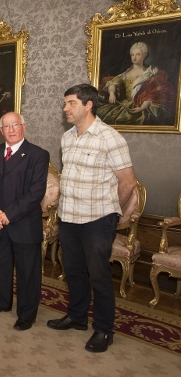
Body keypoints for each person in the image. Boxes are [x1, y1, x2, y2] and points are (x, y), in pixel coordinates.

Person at [48, 84, 136, 352]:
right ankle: (76, 317)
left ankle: (104, 330)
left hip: (97, 220)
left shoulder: (110, 137)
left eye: (71, 103)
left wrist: (111, 212)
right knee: (72, 271)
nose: (65, 109)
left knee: (98, 277)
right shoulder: (67, 138)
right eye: (65, 104)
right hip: (69, 217)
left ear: (88, 105)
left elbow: (128, 183)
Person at [0, 112, 49, 331]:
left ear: (23, 127)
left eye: (15, 125)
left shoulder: (38, 155)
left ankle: (27, 314)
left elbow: (36, 192)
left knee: (28, 272)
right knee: (0, 265)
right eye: (6, 126)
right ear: (0, 131)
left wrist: (9, 213)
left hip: (24, 224)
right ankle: (1, 302)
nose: (10, 130)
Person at [97, 41, 175, 126]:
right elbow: (112, 82)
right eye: (132, 55)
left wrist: (143, 107)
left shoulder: (150, 72)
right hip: (125, 104)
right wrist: (112, 93)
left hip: (144, 104)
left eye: (138, 54)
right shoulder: (126, 74)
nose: (134, 57)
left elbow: (153, 93)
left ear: (144, 55)